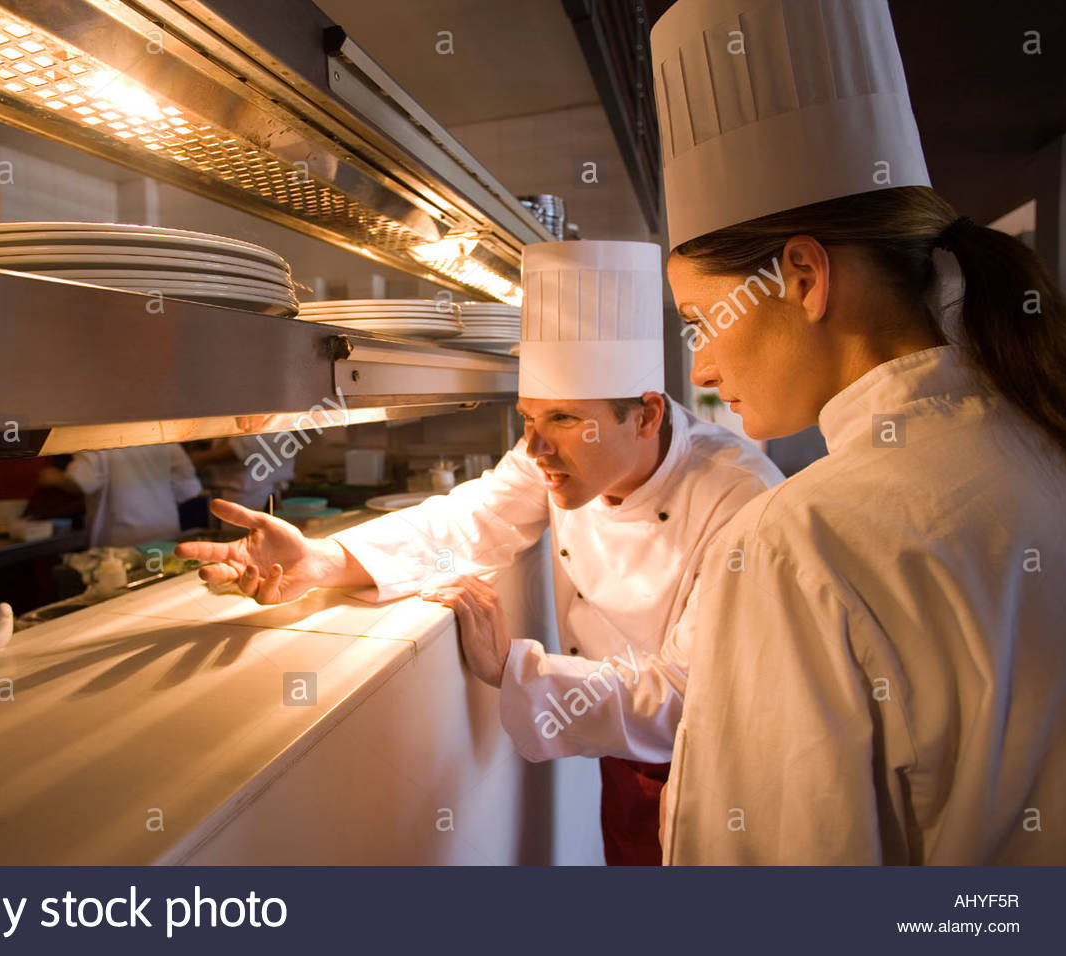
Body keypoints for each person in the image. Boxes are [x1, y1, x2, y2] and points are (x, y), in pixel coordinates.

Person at [634, 0, 1066, 862]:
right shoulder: (1044, 435)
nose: (701, 368)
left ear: (802, 276)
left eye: (700, 319)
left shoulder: (798, 543)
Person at [177, 241, 783, 865]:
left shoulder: (740, 500)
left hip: (719, 770)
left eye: (568, 420)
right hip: (619, 750)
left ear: (647, 415)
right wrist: (324, 561)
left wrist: (514, 667)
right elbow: (470, 520)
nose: (538, 449)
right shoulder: (544, 460)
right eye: (530, 419)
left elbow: (687, 695)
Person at [40, 444, 202, 548]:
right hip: (166, 536)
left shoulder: (96, 434)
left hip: (120, 546)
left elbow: (81, 482)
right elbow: (187, 487)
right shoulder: (161, 431)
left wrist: (53, 477)